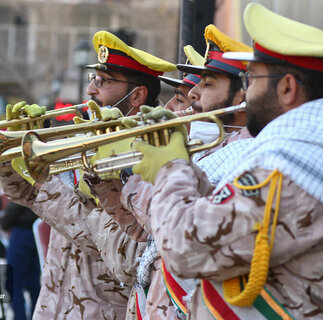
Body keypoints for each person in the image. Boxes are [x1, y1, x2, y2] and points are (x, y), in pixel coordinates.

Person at [130, 3, 323, 319]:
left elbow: (185, 247)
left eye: (252, 79)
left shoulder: (291, 175)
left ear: (287, 87)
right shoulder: (314, 161)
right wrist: (185, 165)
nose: (247, 93)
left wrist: (171, 168)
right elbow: (226, 214)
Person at [0, 30, 176, 319]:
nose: (91, 90)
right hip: (53, 304)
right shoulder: (85, 138)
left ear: (137, 95)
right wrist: (8, 156)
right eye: (93, 79)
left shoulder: (149, 155)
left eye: (103, 82)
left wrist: (48, 182)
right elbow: (26, 195)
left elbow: (127, 256)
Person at [87, 25, 255, 319]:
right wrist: (111, 178)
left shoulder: (245, 156)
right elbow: (143, 229)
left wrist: (137, 171)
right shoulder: (211, 147)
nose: (194, 95)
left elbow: (177, 232)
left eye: (208, 84)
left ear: (242, 97)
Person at [0, 201, 40, 320]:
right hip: (36, 227)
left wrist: (3, 222)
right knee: (34, 282)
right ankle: (35, 316)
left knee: (13, 281)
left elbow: (18, 199)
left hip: (22, 231)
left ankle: (20, 317)